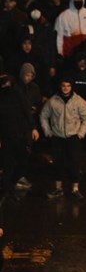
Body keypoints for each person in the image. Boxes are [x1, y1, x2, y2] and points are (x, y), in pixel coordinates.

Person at [40, 76, 86, 200]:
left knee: (74, 163)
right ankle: (58, 188)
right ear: (60, 86)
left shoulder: (79, 101)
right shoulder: (53, 101)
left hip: (73, 137)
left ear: (72, 86)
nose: (66, 88)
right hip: (57, 137)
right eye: (63, 85)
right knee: (58, 163)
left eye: (68, 85)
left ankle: (75, 189)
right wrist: (48, 131)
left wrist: (80, 133)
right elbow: (43, 115)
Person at [0, 72, 39, 202]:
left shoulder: (14, 95)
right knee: (16, 163)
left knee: (10, 164)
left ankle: (7, 189)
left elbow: (26, 112)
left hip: (10, 135)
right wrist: (32, 127)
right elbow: (27, 112)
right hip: (17, 135)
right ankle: (8, 188)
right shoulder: (17, 94)